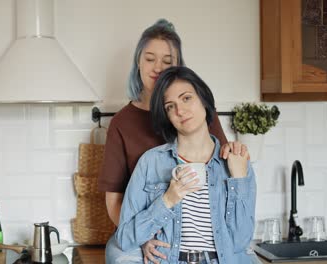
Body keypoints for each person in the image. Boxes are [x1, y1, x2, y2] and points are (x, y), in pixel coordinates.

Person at [98, 19, 249, 263]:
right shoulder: (122, 124)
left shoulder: (198, 115)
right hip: (146, 232)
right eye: (150, 59)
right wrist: (145, 236)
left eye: (167, 61)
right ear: (138, 62)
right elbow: (114, 200)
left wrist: (238, 156)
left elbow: (223, 166)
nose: (158, 68)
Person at [115, 66, 257, 263]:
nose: (180, 111)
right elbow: (124, 238)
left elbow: (240, 242)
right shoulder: (151, 162)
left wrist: (239, 178)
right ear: (166, 116)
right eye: (170, 106)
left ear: (204, 100)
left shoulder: (236, 161)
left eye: (186, 98)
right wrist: (167, 201)